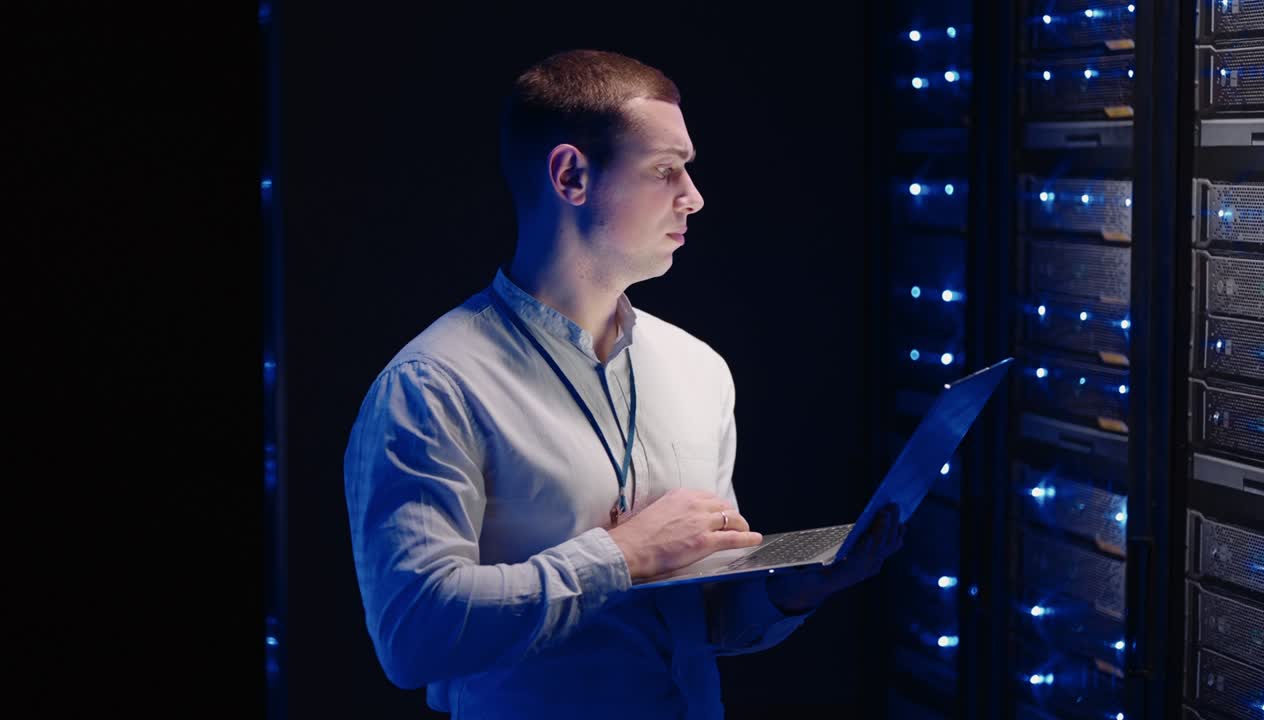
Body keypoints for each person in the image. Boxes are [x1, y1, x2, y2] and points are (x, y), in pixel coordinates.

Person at [343, 48, 906, 719]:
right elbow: (414, 638)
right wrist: (622, 554)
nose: (693, 196)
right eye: (666, 170)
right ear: (571, 175)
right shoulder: (431, 387)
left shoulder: (700, 369)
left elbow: (697, 616)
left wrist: (796, 590)